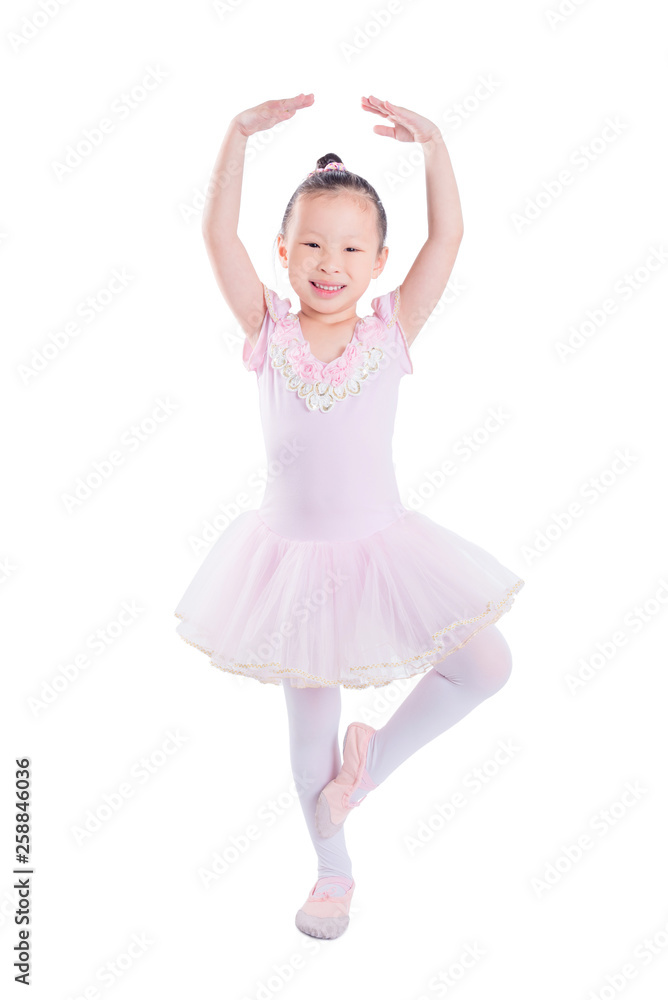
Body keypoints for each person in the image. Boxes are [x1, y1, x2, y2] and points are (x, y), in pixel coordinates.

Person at [174, 93, 525, 940]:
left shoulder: (391, 331)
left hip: (381, 550)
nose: (331, 264)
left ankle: (360, 783)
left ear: (378, 263)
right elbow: (215, 237)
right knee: (306, 742)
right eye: (315, 246)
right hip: (289, 566)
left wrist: (435, 144)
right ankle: (333, 873)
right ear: (286, 253)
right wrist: (237, 137)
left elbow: (450, 240)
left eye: (352, 249)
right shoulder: (268, 328)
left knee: (484, 666)